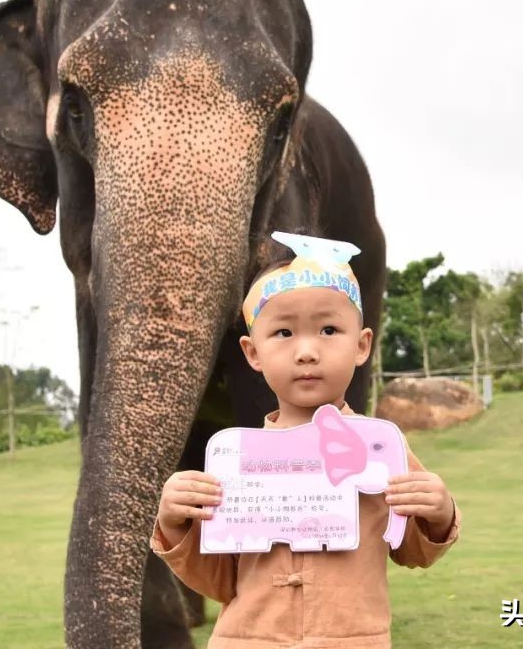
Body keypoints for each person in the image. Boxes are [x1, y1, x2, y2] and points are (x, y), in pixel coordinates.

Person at [150, 231, 462, 647]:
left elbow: (412, 551)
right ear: (252, 353)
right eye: (283, 334)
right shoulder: (236, 460)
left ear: (362, 345)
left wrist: (439, 513)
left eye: (329, 329)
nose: (307, 352)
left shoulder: (380, 447)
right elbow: (221, 581)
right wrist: (174, 523)